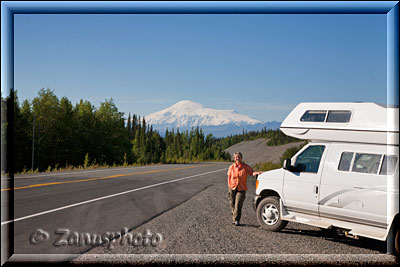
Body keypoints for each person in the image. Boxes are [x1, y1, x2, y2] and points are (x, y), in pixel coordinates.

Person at [227, 152, 263, 226]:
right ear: (234, 159)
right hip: (232, 187)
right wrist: (229, 185)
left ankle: (236, 220)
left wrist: (257, 173)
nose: (237, 158)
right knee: (232, 203)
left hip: (242, 188)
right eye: (236, 157)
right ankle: (234, 216)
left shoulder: (245, 166)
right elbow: (229, 177)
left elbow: (251, 172)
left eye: (239, 157)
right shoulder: (231, 167)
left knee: (238, 204)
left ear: (241, 158)